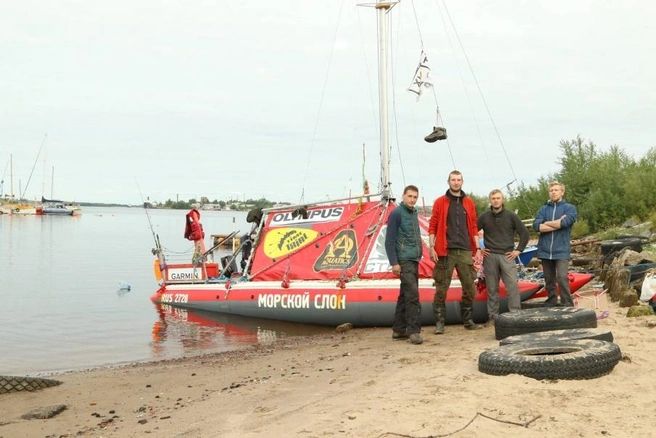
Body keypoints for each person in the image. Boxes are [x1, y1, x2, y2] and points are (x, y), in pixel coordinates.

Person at [428, 170, 483, 333]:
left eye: (459, 180)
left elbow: (473, 226)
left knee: (470, 286)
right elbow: (433, 225)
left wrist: (478, 248)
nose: (456, 182)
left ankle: (467, 320)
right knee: (441, 287)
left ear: (462, 182)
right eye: (453, 180)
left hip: (465, 249)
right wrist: (432, 247)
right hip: (446, 250)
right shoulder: (440, 202)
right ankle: (439, 323)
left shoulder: (469, 203)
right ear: (448, 181)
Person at [477, 189, 530, 325]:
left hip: (507, 255)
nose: (496, 200)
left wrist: (519, 250)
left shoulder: (511, 216)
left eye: (498, 198)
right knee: (492, 288)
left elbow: (524, 233)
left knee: (512, 286)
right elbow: (472, 232)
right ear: (490, 200)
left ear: (502, 200)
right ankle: (493, 317)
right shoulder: (484, 217)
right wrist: (478, 248)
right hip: (490, 256)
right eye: (493, 198)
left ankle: (515, 315)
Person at [384, 185, 424, 345]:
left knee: (405, 295)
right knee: (413, 295)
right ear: (403, 196)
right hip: (404, 260)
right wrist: (394, 262)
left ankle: (399, 329)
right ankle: (414, 331)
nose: (412, 199)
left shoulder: (414, 213)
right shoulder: (396, 214)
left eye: (415, 197)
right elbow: (389, 240)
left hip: (414, 259)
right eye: (410, 196)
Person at [533, 181, 577, 306]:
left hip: (561, 249)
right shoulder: (543, 209)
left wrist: (547, 223)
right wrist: (556, 223)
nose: (553, 192)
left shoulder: (570, 208)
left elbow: (564, 223)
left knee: (562, 277)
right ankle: (552, 300)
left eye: (556, 190)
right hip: (545, 250)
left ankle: (567, 302)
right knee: (549, 279)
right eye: (551, 190)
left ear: (562, 192)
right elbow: (537, 226)